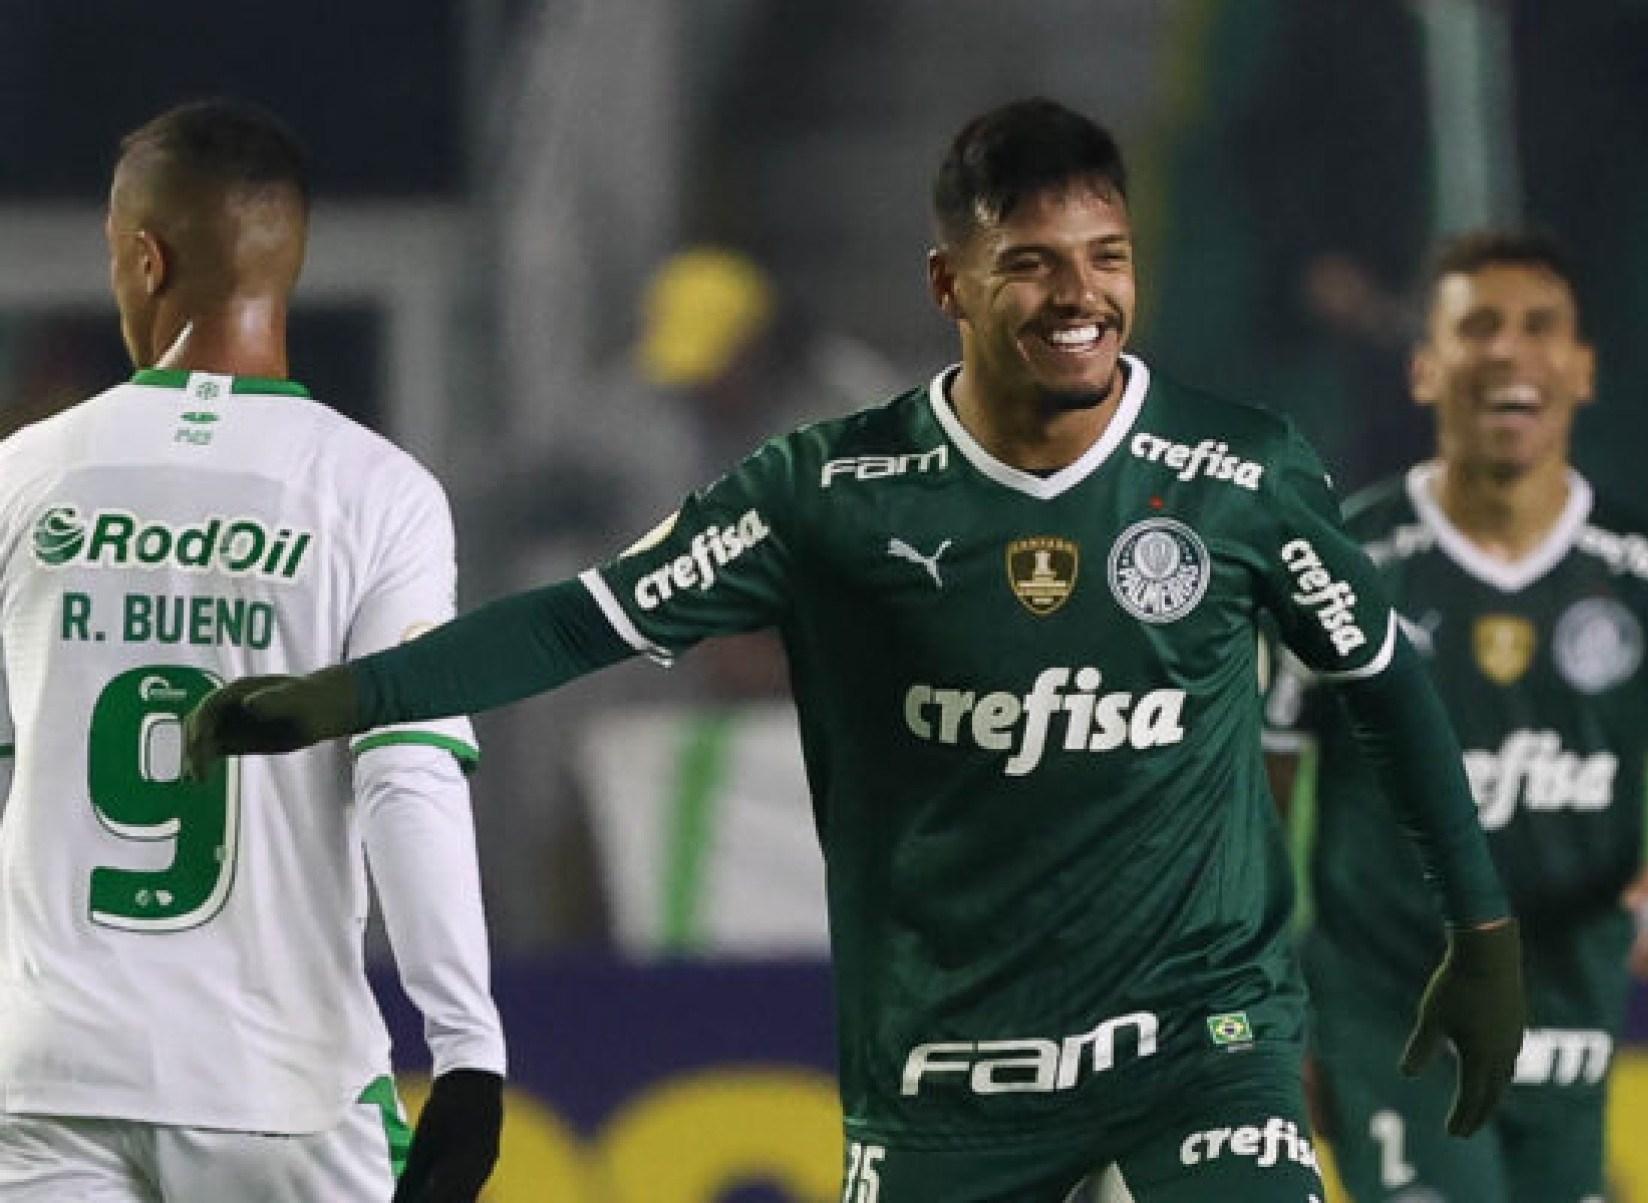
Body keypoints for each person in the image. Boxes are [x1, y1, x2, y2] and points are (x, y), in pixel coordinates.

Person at [186, 98, 1524, 1202]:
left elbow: (1382, 687)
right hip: (948, 1071)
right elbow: (576, 618)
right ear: (949, 281)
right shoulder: (827, 490)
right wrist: (351, 694)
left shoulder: (1239, 470)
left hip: (1202, 1046)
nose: (1082, 298)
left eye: (1107, 257)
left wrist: (1483, 931)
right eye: (1034, 264)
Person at [0, 100, 505, 1202]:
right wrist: (468, 1049)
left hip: (43, 1084)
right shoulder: (377, 494)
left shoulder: (21, 479)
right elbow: (406, 775)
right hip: (276, 1091)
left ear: (144, 257)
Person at [1263, 228, 1648, 1201]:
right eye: (1477, 326)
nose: (1508, 350)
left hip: (1567, 1001)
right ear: (1424, 369)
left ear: (1582, 369)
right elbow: (1258, 800)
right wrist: (1277, 1013)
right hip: (1389, 1005)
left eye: (1539, 326)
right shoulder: (1339, 565)